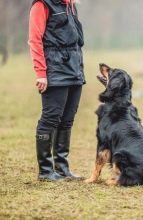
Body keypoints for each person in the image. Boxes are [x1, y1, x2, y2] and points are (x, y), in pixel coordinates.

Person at [28, 0, 85, 181]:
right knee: (50, 118)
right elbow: (35, 40)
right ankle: (45, 171)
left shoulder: (71, 5)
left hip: (75, 69)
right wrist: (41, 73)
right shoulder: (42, 5)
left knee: (67, 120)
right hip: (55, 71)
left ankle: (62, 168)